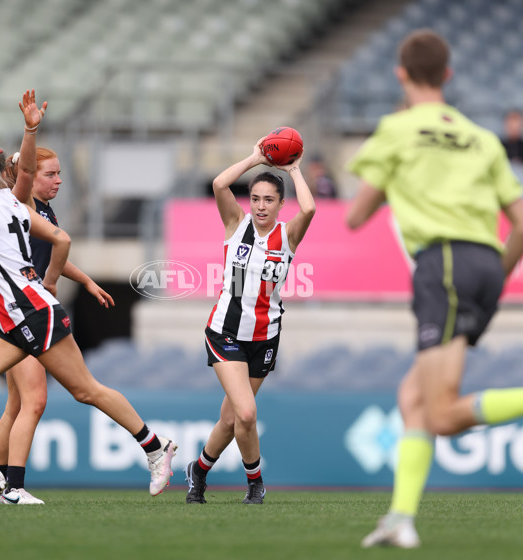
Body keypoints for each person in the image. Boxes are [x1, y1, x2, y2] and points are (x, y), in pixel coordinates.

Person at [0, 90, 176, 504]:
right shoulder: (16, 203)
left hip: (28, 312)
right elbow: (61, 237)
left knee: (84, 390)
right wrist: (30, 129)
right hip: (15, 317)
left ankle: (155, 447)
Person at [345, 29, 523, 548]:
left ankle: (401, 518)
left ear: (400, 74)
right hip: (487, 264)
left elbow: (355, 214)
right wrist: (498, 275)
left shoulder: (397, 130)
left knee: (441, 413)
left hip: (442, 262)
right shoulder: (483, 137)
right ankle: (401, 518)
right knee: (412, 398)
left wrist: (390, 187)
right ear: (448, 75)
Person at [0, 141, 115, 505]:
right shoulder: (18, 204)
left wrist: (84, 281)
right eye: (50, 174)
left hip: (24, 312)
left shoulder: (44, 211)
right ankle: (12, 488)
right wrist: (51, 281)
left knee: (16, 405)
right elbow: (50, 253)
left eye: (59, 174)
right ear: (29, 176)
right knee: (35, 401)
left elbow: (51, 249)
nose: (58, 181)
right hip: (24, 314)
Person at [184, 137, 316, 504]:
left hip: (265, 336)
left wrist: (293, 169)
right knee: (245, 411)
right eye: (255, 198)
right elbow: (219, 184)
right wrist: (256, 157)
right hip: (225, 331)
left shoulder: (287, 235)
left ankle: (199, 470)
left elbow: (310, 208)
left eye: (269, 199)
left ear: (280, 204)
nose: (260, 206)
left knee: (230, 419)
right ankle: (256, 481)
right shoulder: (235, 224)